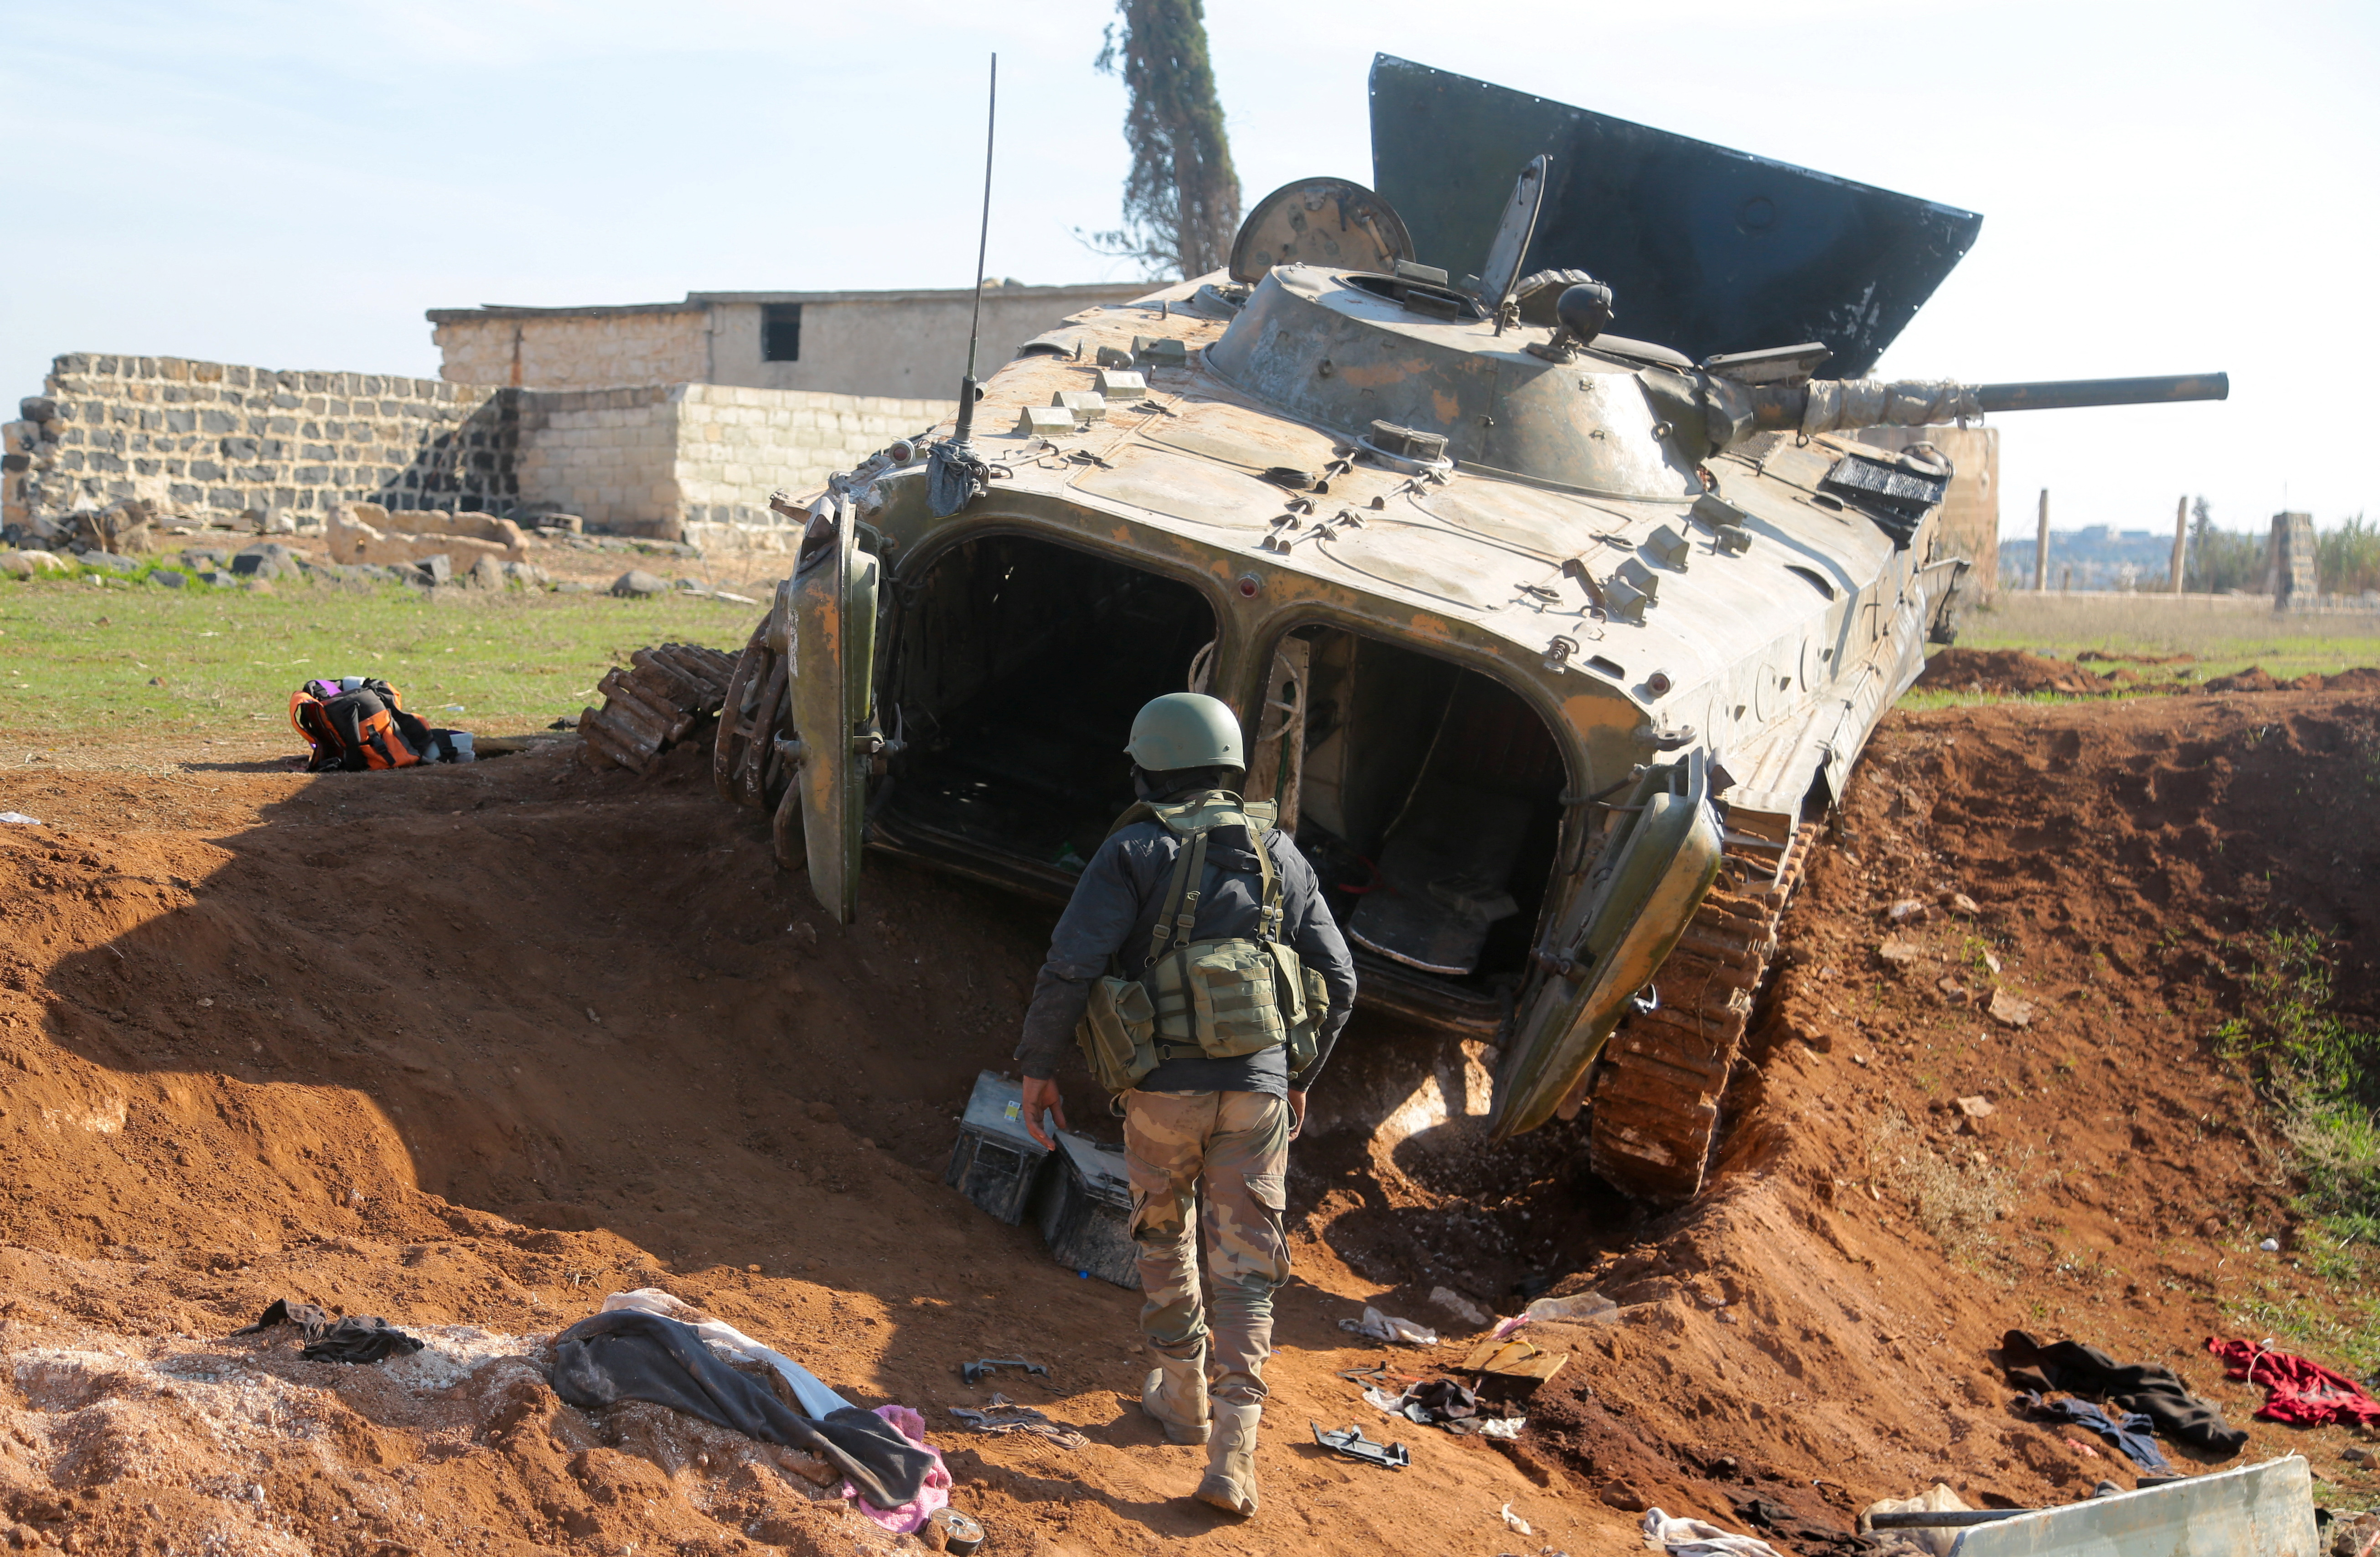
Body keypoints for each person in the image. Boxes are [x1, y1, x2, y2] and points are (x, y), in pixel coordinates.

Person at [1012, 691, 1356, 1518]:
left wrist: (1036, 1067)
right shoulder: (1279, 851)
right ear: (1232, 768)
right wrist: (1295, 1073)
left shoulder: (1133, 849)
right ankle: (1232, 1454)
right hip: (1262, 1089)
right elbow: (1340, 981)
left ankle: (1180, 1394)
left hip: (1165, 1091)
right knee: (1248, 1266)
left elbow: (1070, 967)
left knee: (1163, 1236)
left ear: (1146, 767)